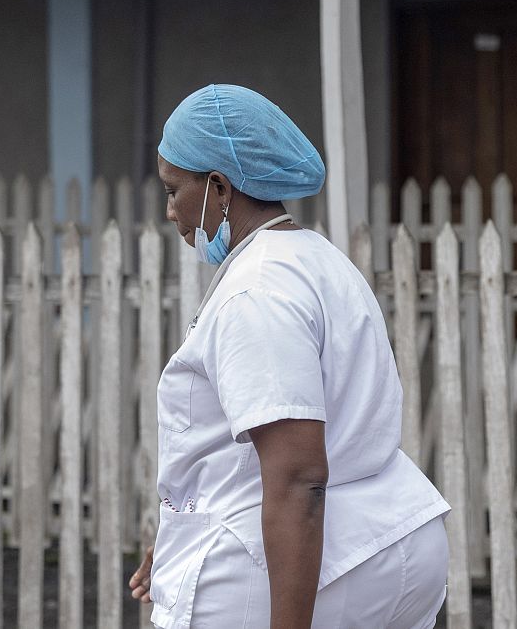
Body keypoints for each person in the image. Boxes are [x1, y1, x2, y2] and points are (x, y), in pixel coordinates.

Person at [128, 84, 450, 629]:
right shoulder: (319, 259)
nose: (169, 211)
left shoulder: (257, 292)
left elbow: (298, 473)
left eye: (172, 190)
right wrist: (183, 529)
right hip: (393, 538)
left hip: (302, 570)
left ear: (219, 187)